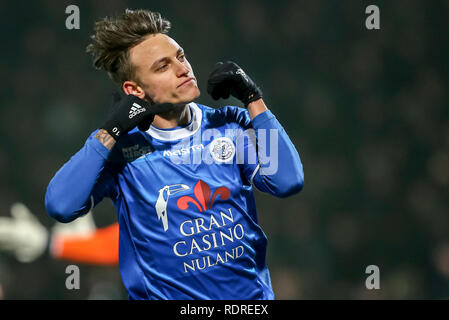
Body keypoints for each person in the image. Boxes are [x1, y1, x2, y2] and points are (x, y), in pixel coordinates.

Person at [45, 9, 304, 300]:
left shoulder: (227, 124)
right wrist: (110, 131)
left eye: (180, 56)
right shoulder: (121, 154)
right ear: (134, 90)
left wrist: (254, 100)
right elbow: (60, 205)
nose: (183, 69)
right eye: (162, 67)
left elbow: (287, 181)